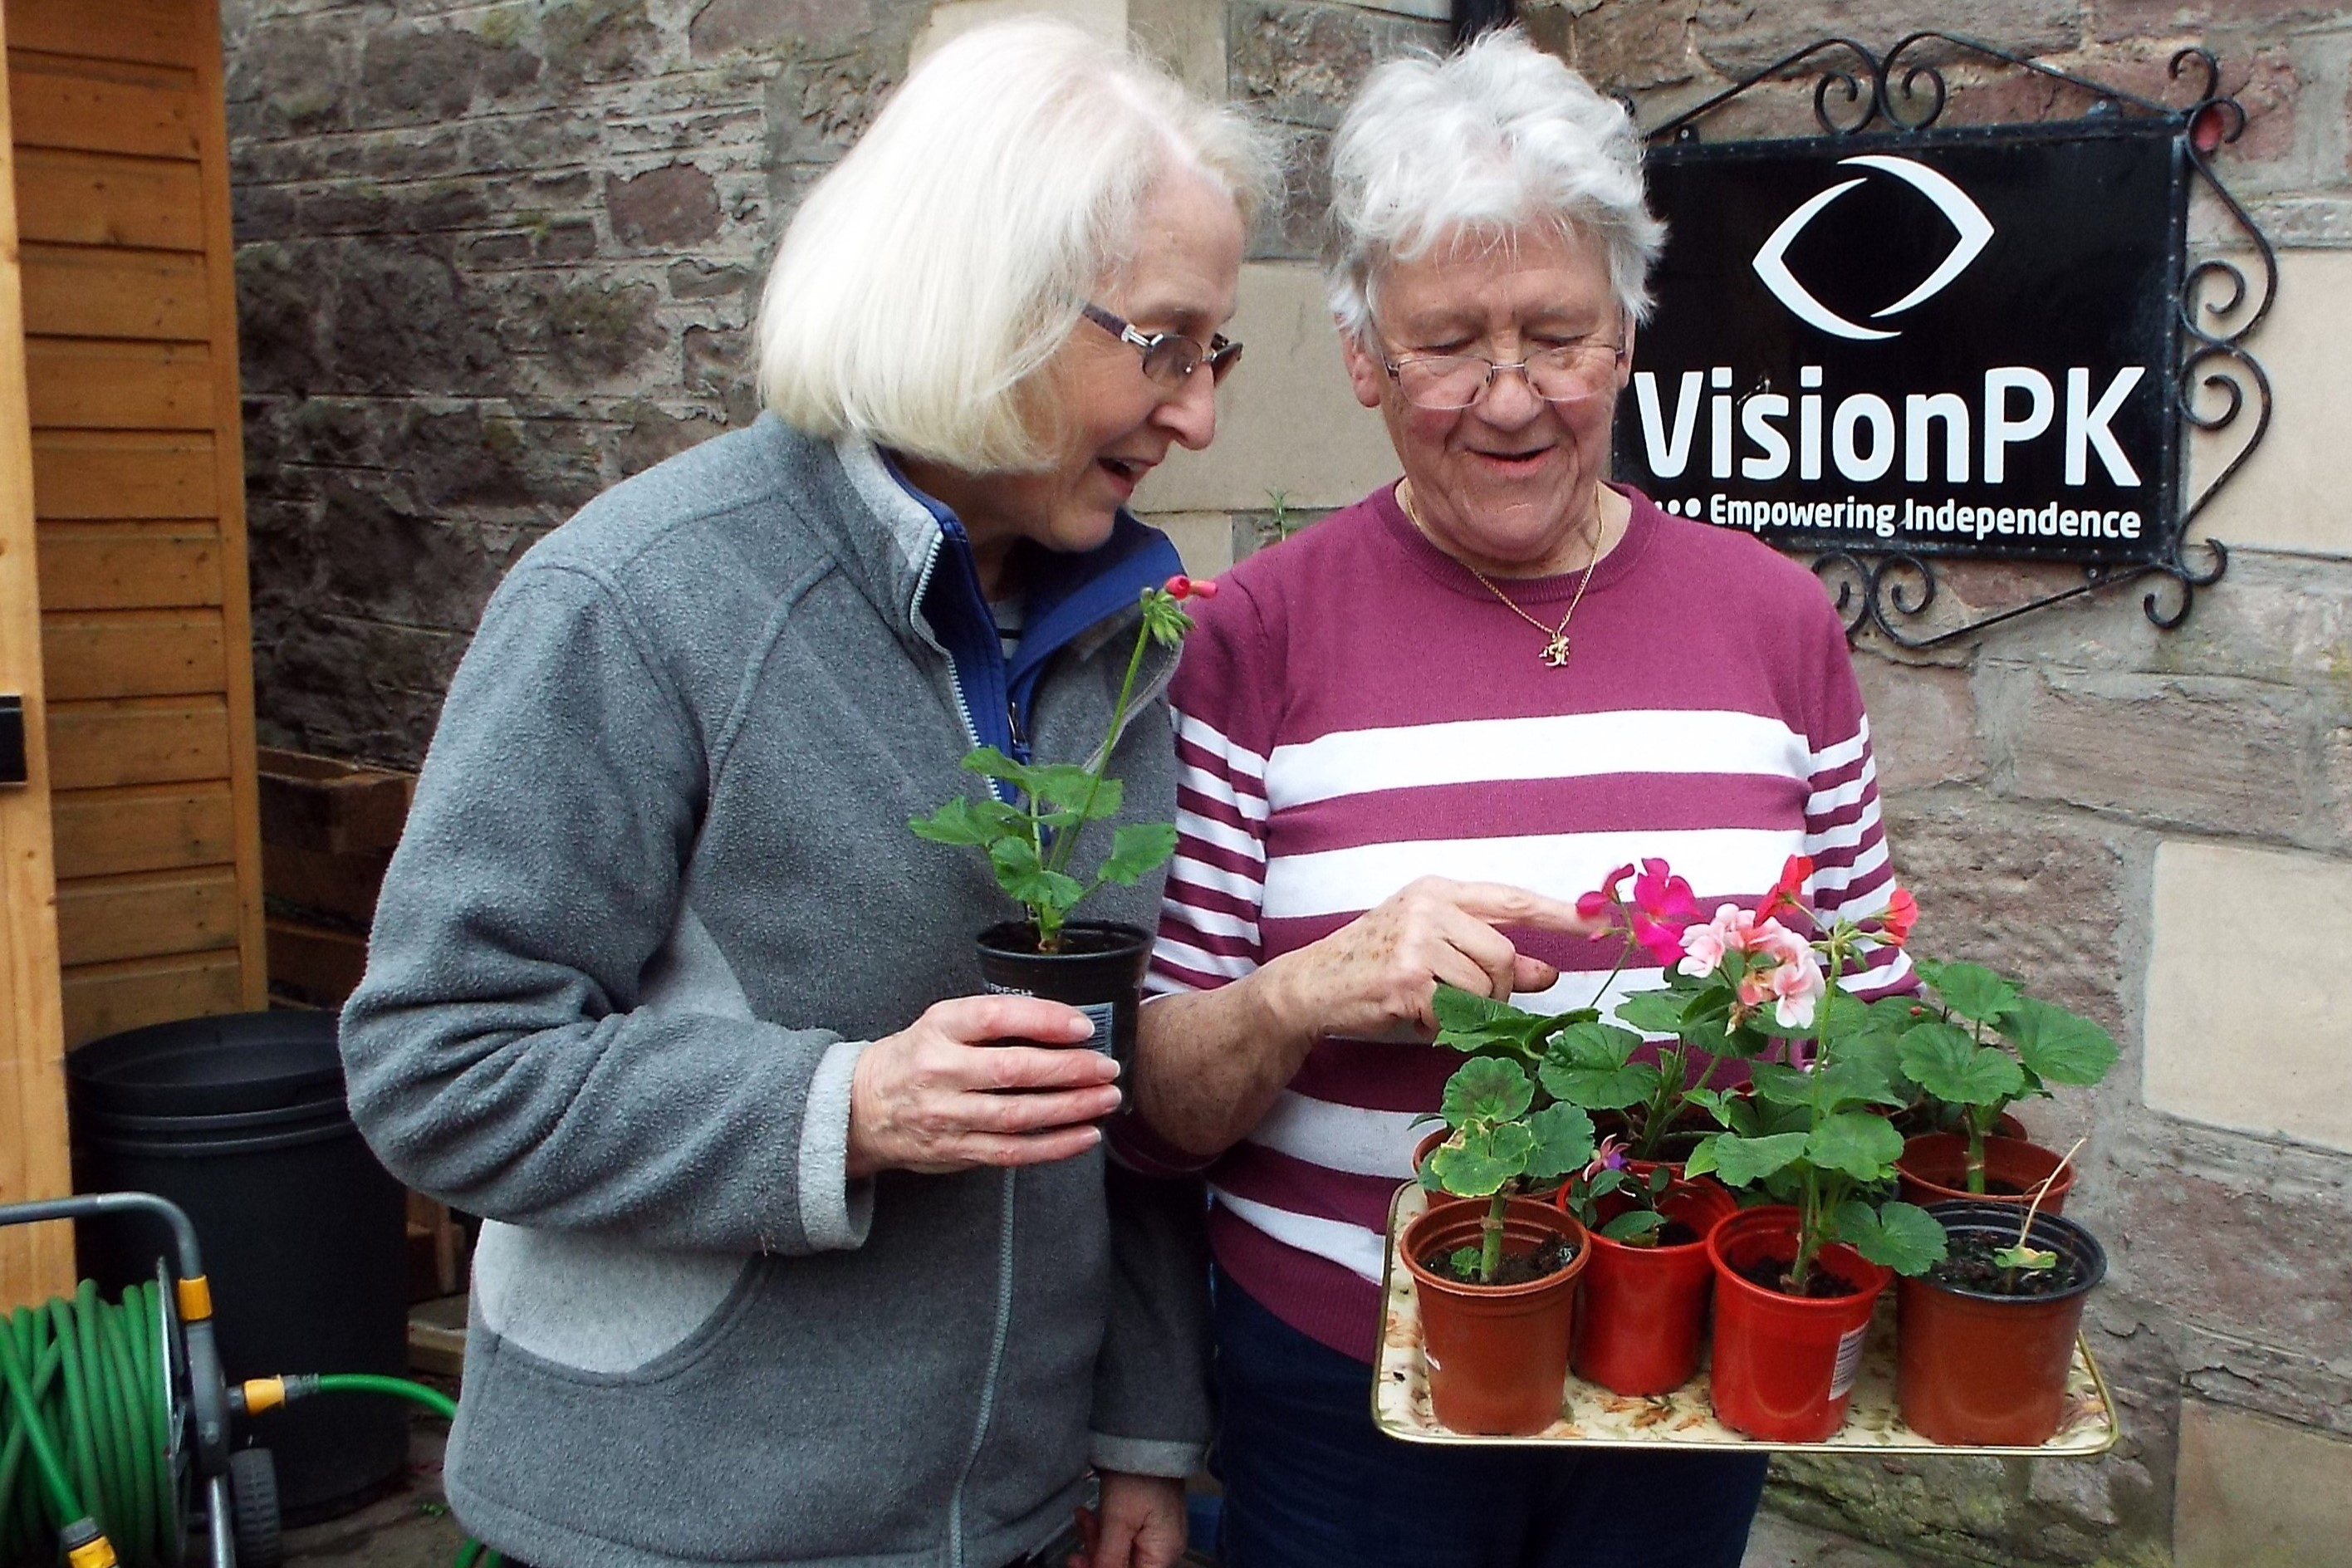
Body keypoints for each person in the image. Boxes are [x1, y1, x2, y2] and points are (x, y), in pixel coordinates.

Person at [338, 22, 1270, 1568]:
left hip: (1020, 1518)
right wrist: (842, 1109)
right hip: (669, 1523)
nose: (1198, 416)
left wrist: (1142, 1436)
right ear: (994, 301)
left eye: (1213, 350)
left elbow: (1110, 1082)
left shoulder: (1122, 635)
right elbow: (436, 1062)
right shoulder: (639, 597)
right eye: (1165, 344)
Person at [1126, 30, 1911, 1568]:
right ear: (1362, 355)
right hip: (1344, 1386)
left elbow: (1871, 994)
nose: (1508, 397)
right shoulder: (1255, 635)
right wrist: (1307, 989)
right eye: (1444, 343)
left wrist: (1816, 1017)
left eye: (1556, 333)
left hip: (1680, 1365)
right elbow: (1158, 1115)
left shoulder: (1774, 621)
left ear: (1625, 333)